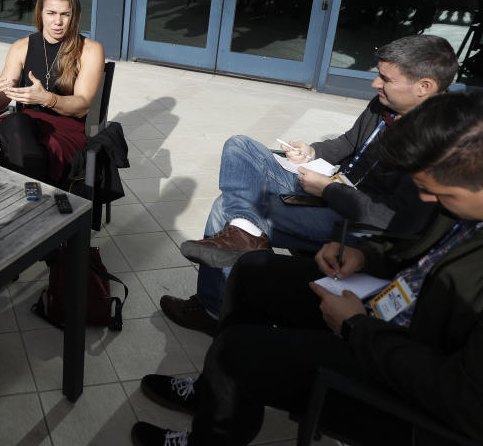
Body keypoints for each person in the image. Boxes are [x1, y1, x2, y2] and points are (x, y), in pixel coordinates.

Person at [131, 90, 483, 446]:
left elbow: (463, 398)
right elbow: (417, 244)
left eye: (440, 194)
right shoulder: (460, 206)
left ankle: (213, 418)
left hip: (397, 369)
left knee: (236, 351)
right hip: (379, 305)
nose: (427, 199)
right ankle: (214, 391)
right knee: (254, 271)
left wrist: (355, 327)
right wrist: (367, 256)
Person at [165, 34, 457, 335]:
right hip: (329, 188)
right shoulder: (384, 105)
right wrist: (312, 152)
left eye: (386, 79)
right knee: (241, 147)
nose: (375, 84)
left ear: (424, 87)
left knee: (224, 208)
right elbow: (348, 142)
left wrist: (329, 189)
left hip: (352, 222)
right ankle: (244, 234)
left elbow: (393, 218)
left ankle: (215, 307)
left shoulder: (436, 140)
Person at [0, 0, 105, 183]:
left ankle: (26, 198)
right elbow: (0, 102)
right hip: (24, 127)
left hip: (65, 131)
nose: (58, 21)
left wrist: (48, 99)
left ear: (75, 16)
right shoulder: (20, 48)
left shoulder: (90, 50)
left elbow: (82, 106)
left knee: (17, 142)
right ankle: (35, 198)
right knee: (14, 122)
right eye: (51, 13)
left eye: (65, 14)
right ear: (40, 14)